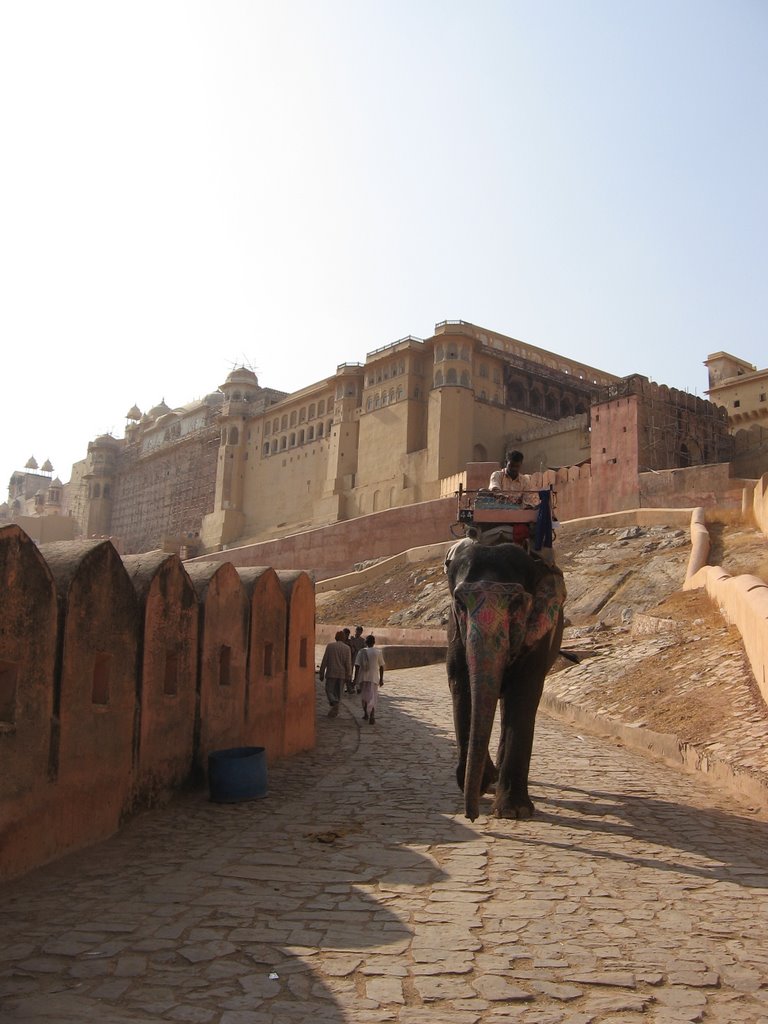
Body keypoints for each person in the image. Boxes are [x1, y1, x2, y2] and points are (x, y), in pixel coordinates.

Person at [318, 631, 352, 717]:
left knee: (329, 690)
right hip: (342, 674)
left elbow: (325, 660)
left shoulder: (330, 646)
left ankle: (334, 702)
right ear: (344, 638)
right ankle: (335, 706)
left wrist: (321, 672)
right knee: (339, 692)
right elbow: (348, 663)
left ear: (335, 637)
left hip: (331, 672)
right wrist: (349, 674)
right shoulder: (347, 648)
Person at [353, 634, 385, 725]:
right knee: (372, 697)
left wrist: (355, 679)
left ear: (365, 642)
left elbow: (357, 666)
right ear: (374, 642)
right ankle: (372, 715)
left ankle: (366, 714)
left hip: (363, 677)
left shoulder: (361, 652)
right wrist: (381, 679)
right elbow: (382, 666)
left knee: (364, 697)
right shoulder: (378, 652)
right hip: (374, 678)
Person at [348, 626, 366, 690]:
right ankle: (349, 685)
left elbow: (363, 650)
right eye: (356, 631)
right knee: (350, 671)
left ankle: (355, 683)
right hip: (352, 657)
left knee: (357, 672)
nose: (357, 632)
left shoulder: (363, 641)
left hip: (359, 657)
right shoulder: (351, 639)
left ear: (361, 632)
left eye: (359, 631)